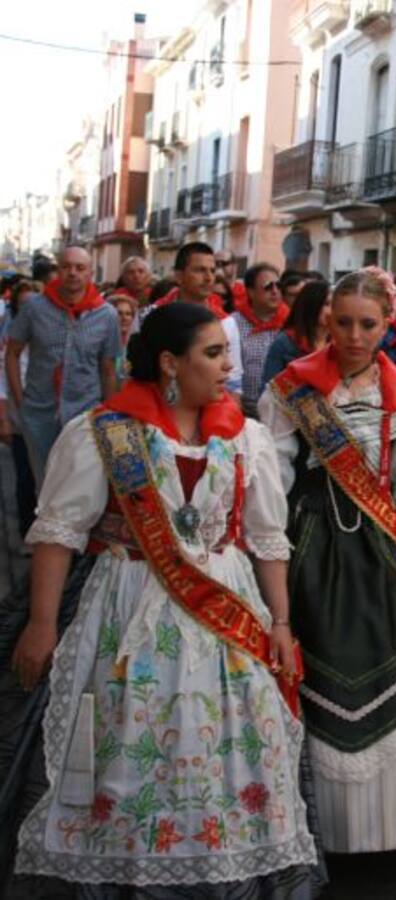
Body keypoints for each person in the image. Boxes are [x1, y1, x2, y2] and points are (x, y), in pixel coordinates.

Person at [0, 302, 323, 895]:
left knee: (230, 747)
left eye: (227, 352)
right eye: (213, 353)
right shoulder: (107, 431)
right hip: (126, 603)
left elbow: (267, 538)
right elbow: (59, 532)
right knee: (128, 745)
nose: (228, 367)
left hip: (227, 611)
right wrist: (42, 625)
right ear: (171, 362)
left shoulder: (244, 436)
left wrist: (280, 621)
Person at [260, 270, 396, 854]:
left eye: (368, 324)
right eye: (344, 322)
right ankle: (324, 831)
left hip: (382, 551)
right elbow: (271, 489)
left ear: (387, 325)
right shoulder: (290, 388)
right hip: (309, 548)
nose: (355, 335)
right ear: (326, 320)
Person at [4, 246, 120, 484]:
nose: (73, 273)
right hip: (39, 413)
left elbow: (108, 369)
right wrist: (20, 401)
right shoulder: (35, 308)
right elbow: (12, 353)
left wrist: (108, 415)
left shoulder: (106, 315)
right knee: (45, 485)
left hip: (85, 413)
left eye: (80, 268)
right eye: (66, 267)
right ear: (58, 271)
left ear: (90, 273)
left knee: (79, 486)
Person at [158, 242, 244, 397]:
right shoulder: (153, 316)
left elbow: (234, 381)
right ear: (179, 276)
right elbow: (133, 370)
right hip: (158, 405)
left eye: (212, 270)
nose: (209, 277)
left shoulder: (226, 323)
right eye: (200, 270)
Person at [0, 280, 38, 535]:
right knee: (25, 476)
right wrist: (3, 419)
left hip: (50, 421)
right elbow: (2, 383)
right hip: (21, 423)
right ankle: (27, 531)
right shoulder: (10, 344)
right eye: (24, 305)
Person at [232, 263, 288, 418]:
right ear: (250, 292)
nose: (275, 291)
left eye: (278, 285)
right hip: (244, 411)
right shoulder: (233, 324)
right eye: (268, 286)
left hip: (282, 412)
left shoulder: (290, 323)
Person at [263, 280, 331, 384]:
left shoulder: (338, 343)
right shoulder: (285, 343)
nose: (332, 310)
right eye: (327, 304)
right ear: (312, 305)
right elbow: (268, 388)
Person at [109, 294, 137, 385]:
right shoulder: (102, 346)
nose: (124, 318)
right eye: (119, 313)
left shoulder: (135, 349)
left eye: (128, 314)